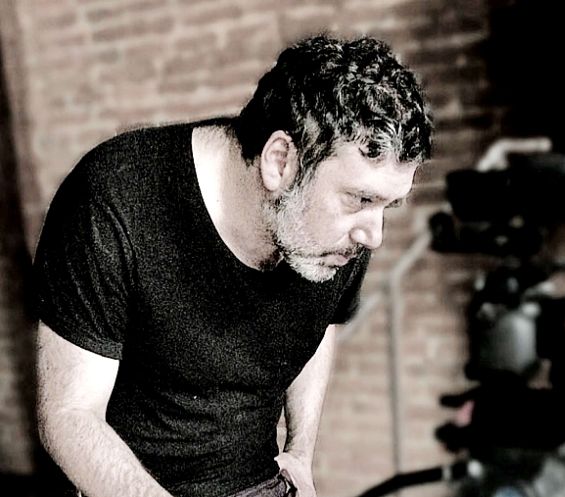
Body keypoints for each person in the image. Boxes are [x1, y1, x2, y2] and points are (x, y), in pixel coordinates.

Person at [32, 35, 432, 497]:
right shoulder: (113, 197)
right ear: (280, 161)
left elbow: (319, 321)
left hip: (258, 481)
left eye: (387, 206)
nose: (374, 235)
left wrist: (301, 451)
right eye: (360, 199)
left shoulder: (339, 236)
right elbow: (69, 417)